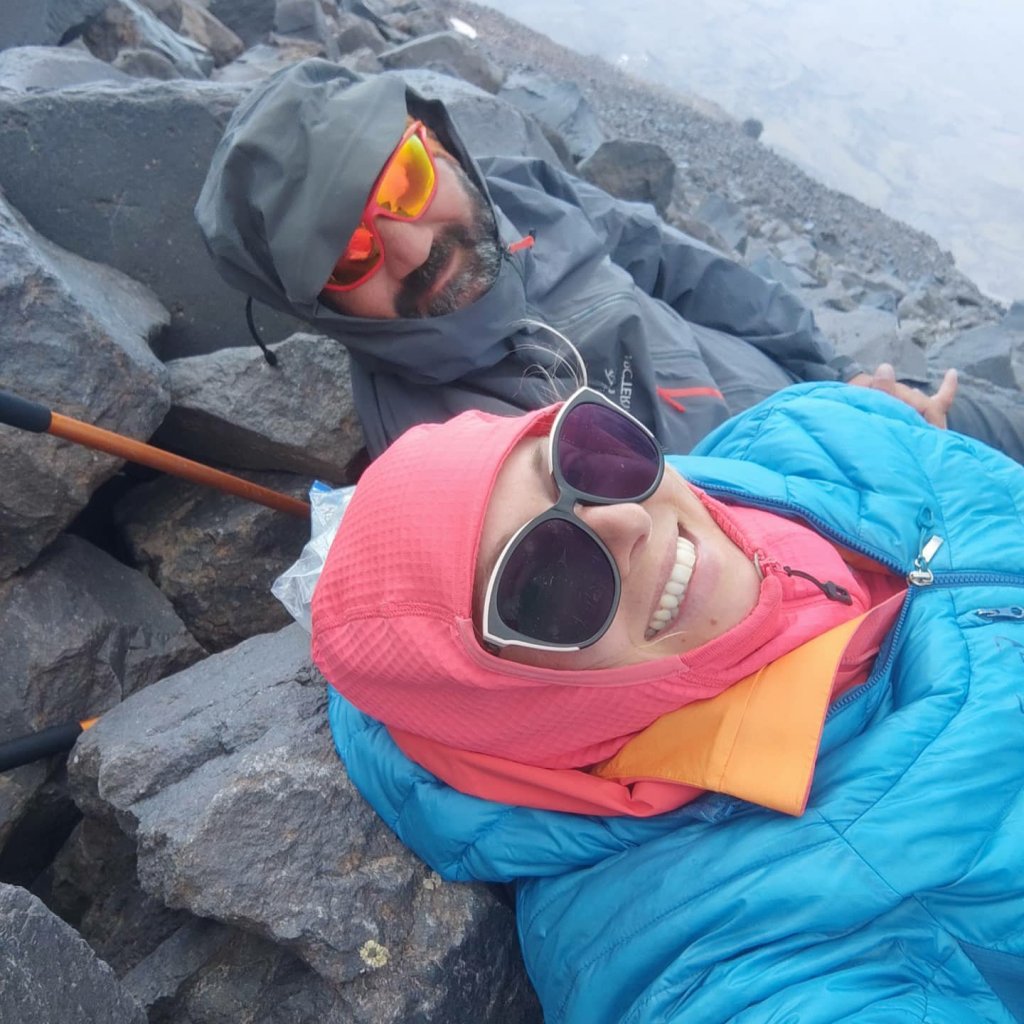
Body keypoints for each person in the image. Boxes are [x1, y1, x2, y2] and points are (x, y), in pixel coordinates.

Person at [310, 380, 1024, 1022]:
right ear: (507, 712)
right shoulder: (702, 943)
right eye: (542, 581)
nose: (625, 521)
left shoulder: (807, 426)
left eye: (584, 458)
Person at [194, 59, 1024, 463]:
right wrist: (863, 446)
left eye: (404, 184)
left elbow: (688, 270)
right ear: (325, 311)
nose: (413, 249)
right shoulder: (440, 442)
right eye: (353, 259)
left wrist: (840, 378)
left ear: (438, 138)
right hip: (850, 501)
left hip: (848, 404)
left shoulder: (525, 194)